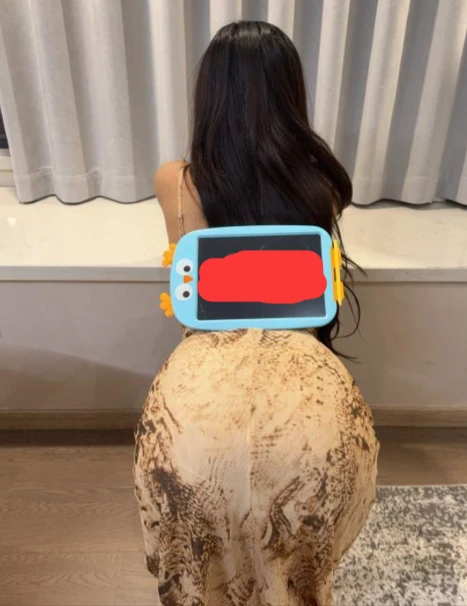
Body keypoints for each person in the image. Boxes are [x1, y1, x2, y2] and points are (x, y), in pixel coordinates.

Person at [134, 20, 379, 606]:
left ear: (209, 97)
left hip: (208, 359)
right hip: (301, 363)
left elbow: (191, 291)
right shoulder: (322, 184)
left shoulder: (174, 182)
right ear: (291, 96)